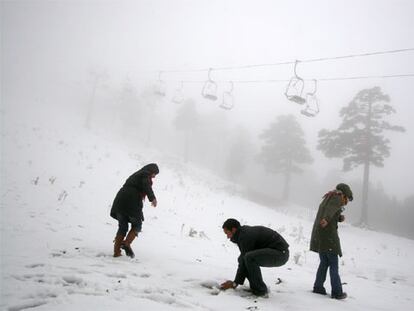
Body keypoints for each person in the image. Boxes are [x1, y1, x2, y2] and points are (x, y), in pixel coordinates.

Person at [220, 218, 289, 297]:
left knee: (249, 258)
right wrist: (236, 282)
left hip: (280, 254)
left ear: (233, 229)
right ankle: (256, 288)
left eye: (227, 233)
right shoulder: (242, 233)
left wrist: (235, 283)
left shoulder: (245, 236)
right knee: (245, 258)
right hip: (278, 252)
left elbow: (245, 260)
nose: (227, 237)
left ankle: (260, 290)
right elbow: (243, 259)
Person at [310, 183, 353, 300]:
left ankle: (318, 287)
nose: (346, 202)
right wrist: (326, 219)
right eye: (347, 199)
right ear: (344, 194)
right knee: (334, 264)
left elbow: (330, 210)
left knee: (324, 263)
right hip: (329, 236)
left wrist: (339, 218)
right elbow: (329, 211)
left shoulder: (329, 197)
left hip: (321, 235)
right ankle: (337, 292)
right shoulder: (337, 197)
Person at [110, 163, 159, 258]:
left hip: (120, 200)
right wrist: (152, 198)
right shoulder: (145, 174)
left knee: (122, 227)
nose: (154, 176)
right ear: (151, 171)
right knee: (137, 225)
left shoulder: (136, 174)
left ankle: (117, 252)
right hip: (131, 200)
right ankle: (126, 243)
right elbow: (146, 185)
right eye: (154, 174)